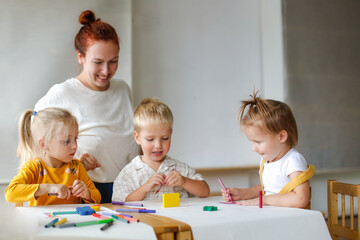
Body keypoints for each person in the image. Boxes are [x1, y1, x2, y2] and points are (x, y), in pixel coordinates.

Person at [27, 10, 139, 203]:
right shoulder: (62, 94)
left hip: (128, 187)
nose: (106, 71)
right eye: (98, 62)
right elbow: (29, 146)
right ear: (80, 56)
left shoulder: (122, 89)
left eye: (113, 61)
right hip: (84, 190)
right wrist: (70, 162)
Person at [221, 91, 315, 209]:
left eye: (258, 142)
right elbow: (268, 188)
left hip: (293, 220)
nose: (253, 148)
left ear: (281, 137)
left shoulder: (293, 161)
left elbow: (301, 199)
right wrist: (243, 193)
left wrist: (264, 200)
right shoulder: (267, 160)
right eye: (251, 141)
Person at [112, 98, 210, 202]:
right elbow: (119, 202)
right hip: (143, 219)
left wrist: (184, 181)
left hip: (176, 218)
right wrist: (144, 188)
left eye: (165, 138)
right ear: (137, 138)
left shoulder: (180, 168)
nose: (158, 145)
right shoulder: (129, 173)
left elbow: (205, 192)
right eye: (150, 139)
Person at [5, 108, 101, 206]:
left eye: (75, 139)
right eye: (67, 141)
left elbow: (97, 198)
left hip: (72, 220)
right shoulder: (34, 167)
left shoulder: (76, 167)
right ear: (43, 144)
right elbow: (10, 193)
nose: (75, 146)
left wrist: (87, 193)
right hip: (43, 221)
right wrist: (48, 188)